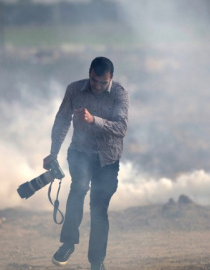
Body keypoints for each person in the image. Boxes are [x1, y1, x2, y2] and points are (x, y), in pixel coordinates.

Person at [43, 56, 129, 270]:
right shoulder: (74, 90)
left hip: (108, 159)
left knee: (99, 208)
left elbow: (121, 128)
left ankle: (97, 262)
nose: (98, 86)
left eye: (103, 82)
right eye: (94, 80)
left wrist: (94, 120)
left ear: (111, 79)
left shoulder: (120, 93)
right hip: (80, 152)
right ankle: (68, 244)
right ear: (89, 73)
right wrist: (53, 152)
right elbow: (62, 120)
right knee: (78, 188)